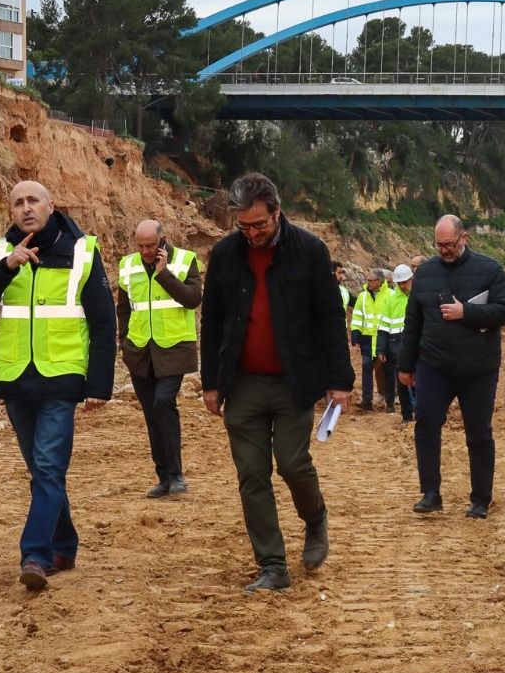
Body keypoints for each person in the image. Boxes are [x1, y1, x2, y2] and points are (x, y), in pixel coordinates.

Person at [199, 173, 353, 592]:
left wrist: (340, 379)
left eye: (259, 225)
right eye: (243, 226)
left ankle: (315, 518)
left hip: (294, 381)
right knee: (251, 474)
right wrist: (210, 382)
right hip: (243, 382)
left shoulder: (309, 251)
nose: (251, 234)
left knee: (292, 462)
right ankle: (273, 566)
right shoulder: (226, 255)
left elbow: (329, 318)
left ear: (277, 212)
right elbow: (210, 320)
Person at [0, 180, 114, 591]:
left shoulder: (82, 251)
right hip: (16, 378)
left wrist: (99, 383)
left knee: (48, 467)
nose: (26, 208)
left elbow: (103, 321)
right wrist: (6, 266)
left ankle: (35, 554)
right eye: (18, 203)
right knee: (41, 470)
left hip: (62, 377)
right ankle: (64, 544)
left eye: (33, 201)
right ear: (10, 211)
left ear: (51, 205)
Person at [398, 215, 505, 518]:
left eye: (449, 244)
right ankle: (431, 493)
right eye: (439, 245)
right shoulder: (425, 273)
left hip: (479, 368)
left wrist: (467, 312)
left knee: (478, 433)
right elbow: (413, 322)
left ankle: (480, 499)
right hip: (434, 364)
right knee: (425, 424)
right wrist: (405, 365)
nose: (444, 251)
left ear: (464, 238)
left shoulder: (489, 270)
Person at [115, 218, 202, 499]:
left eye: (151, 245)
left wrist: (164, 274)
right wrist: (124, 343)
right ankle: (163, 478)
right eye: (140, 246)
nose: (145, 251)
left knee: (164, 402)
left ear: (162, 240)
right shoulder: (127, 266)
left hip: (173, 349)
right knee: (152, 414)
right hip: (140, 352)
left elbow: (192, 299)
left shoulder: (185, 261)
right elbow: (124, 309)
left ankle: (177, 475)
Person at [376, 262, 415, 423]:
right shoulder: (392, 299)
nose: (402, 286)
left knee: (419, 381)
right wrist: (381, 348)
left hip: (416, 346)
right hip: (396, 346)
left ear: (411, 279)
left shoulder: (418, 296)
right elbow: (384, 325)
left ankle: (420, 414)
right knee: (401, 382)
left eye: (405, 282)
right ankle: (406, 416)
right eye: (399, 283)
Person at [349, 268, 390, 410]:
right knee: (366, 367)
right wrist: (355, 332)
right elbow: (357, 315)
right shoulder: (363, 296)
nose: (368, 283)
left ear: (379, 281)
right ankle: (367, 400)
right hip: (367, 338)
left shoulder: (389, 295)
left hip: (382, 338)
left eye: (371, 281)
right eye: (368, 280)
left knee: (383, 369)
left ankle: (386, 398)